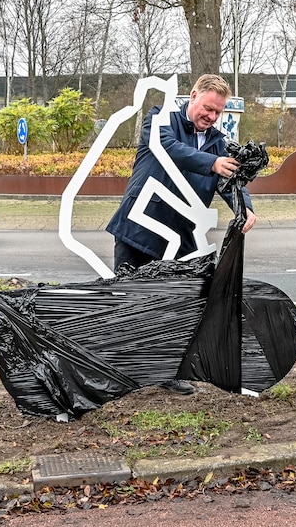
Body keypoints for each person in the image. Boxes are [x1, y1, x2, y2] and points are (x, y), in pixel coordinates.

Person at [106, 74, 257, 396]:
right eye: (207, 108)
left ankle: (166, 370)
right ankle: (116, 369)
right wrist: (212, 163)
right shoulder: (160, 121)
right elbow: (169, 149)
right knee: (129, 300)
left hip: (180, 235)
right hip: (140, 227)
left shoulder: (218, 142)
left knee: (176, 303)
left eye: (218, 112)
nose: (211, 117)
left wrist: (243, 208)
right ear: (192, 96)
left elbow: (230, 181)